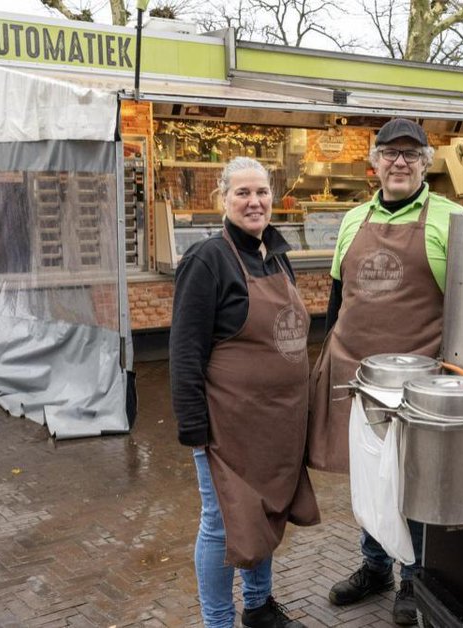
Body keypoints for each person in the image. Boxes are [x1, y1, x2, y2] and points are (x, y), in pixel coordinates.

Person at [307, 118, 463, 626]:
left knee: (413, 481)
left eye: (410, 154)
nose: (399, 162)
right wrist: (334, 353)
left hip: (422, 381)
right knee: (371, 477)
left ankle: (415, 577)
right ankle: (375, 566)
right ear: (373, 162)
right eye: (390, 154)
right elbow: (338, 298)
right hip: (360, 375)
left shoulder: (453, 218)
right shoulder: (353, 219)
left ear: (427, 162)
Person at [170, 157, 320, 628]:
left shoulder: (274, 254)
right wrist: (193, 426)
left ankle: (258, 607)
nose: (254, 202)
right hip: (227, 427)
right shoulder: (208, 259)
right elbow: (185, 351)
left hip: (276, 426)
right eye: (242, 193)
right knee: (222, 524)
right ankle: (219, 621)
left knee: (265, 515)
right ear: (223, 199)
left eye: (261, 192)